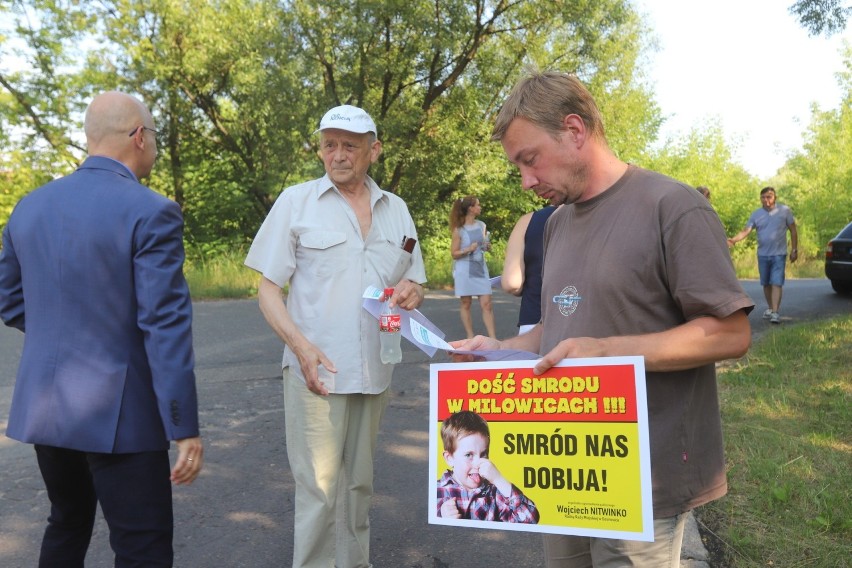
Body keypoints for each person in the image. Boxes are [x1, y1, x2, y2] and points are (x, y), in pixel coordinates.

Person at [451, 70, 753, 567]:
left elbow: (730, 332)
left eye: (530, 160)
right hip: (564, 470)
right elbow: (559, 331)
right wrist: (498, 351)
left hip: (645, 482)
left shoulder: (673, 206)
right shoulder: (556, 225)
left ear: (574, 131)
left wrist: (608, 350)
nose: (526, 181)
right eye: (518, 167)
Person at [0, 91, 203, 567]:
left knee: (66, 522)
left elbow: (8, 297)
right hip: (122, 415)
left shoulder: (30, 206)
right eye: (153, 136)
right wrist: (184, 425)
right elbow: (164, 325)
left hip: (47, 409)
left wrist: (63, 332)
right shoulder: (151, 210)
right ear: (138, 137)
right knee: (142, 546)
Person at [244, 104, 427, 568]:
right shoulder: (296, 201)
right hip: (316, 372)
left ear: (374, 150)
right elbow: (268, 289)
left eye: (350, 145)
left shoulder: (397, 210)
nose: (338, 155)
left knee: (359, 485)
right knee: (320, 492)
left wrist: (411, 290)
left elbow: (415, 282)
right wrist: (300, 347)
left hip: (376, 367)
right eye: (330, 144)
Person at [437, 411, 539, 523]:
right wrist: (441, 516)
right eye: (468, 455)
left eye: (483, 454)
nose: (477, 463)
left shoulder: (494, 494)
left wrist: (498, 479)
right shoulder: (437, 490)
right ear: (449, 458)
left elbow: (531, 519)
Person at [727, 186, 797, 324]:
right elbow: (746, 230)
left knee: (776, 282)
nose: (766, 200)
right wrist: (733, 240)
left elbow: (793, 231)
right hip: (763, 254)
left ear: (774, 197)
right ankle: (771, 308)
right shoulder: (756, 214)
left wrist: (795, 250)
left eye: (769, 197)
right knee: (766, 283)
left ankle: (775, 312)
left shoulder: (784, 211)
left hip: (779, 254)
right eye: (763, 197)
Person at [502, 204, 557, 334]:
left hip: (533, 320)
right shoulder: (597, 216)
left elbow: (511, 283)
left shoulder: (528, 221)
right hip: (586, 325)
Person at [450, 196, 496, 339]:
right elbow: (454, 254)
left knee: (487, 304)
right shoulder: (459, 230)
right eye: (478, 205)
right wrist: (468, 249)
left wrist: (487, 247)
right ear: (470, 208)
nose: (480, 207)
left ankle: (493, 338)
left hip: (480, 268)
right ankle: (470, 336)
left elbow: (483, 246)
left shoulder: (482, 225)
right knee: (466, 303)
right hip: (464, 270)